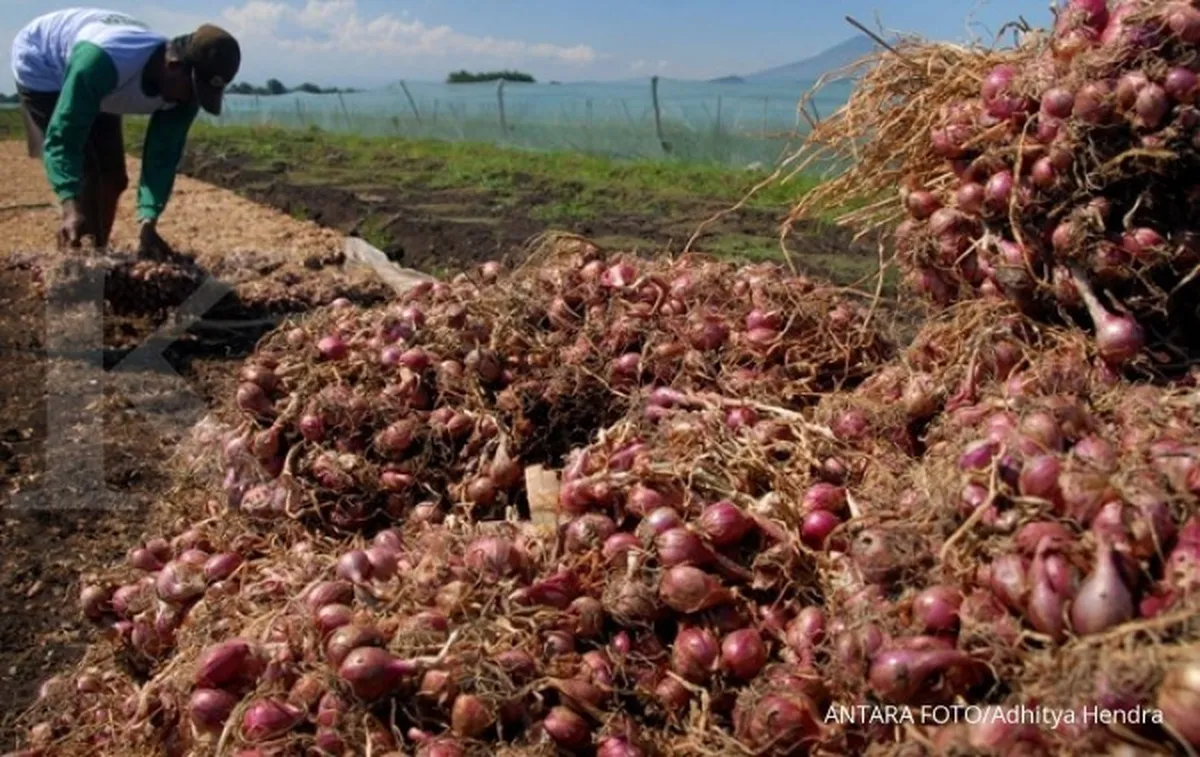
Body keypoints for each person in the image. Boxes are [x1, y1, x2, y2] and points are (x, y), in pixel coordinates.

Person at [10, 9, 241, 255]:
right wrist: (69, 204)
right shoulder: (103, 64)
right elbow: (64, 138)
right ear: (173, 65)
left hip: (102, 77)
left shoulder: (185, 95)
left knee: (113, 177)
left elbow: (162, 156)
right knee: (86, 171)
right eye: (192, 89)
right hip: (43, 62)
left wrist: (148, 223)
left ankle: (98, 251)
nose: (191, 100)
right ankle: (81, 265)